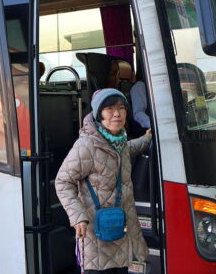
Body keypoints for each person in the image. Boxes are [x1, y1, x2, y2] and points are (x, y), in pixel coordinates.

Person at [55, 88, 151, 274]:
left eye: (121, 108)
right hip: (96, 233)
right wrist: (77, 217)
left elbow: (128, 149)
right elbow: (63, 182)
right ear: (99, 114)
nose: (117, 114)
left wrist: (147, 138)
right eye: (109, 109)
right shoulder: (87, 145)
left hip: (119, 229)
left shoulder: (119, 141)